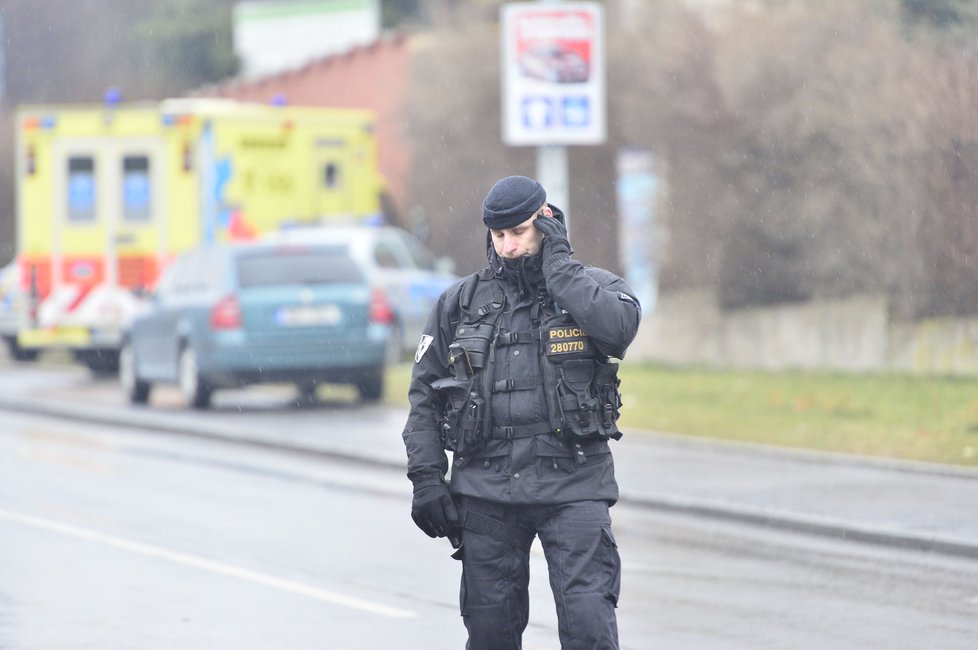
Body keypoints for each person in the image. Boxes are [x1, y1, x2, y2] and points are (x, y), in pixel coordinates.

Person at [401, 175, 641, 650]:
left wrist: (561, 268)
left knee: (590, 628)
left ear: (545, 223)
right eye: (499, 235)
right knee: (490, 635)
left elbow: (617, 331)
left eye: (521, 233)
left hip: (574, 483)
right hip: (487, 489)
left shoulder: (591, 287)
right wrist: (426, 477)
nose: (509, 247)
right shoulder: (460, 303)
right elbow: (424, 395)